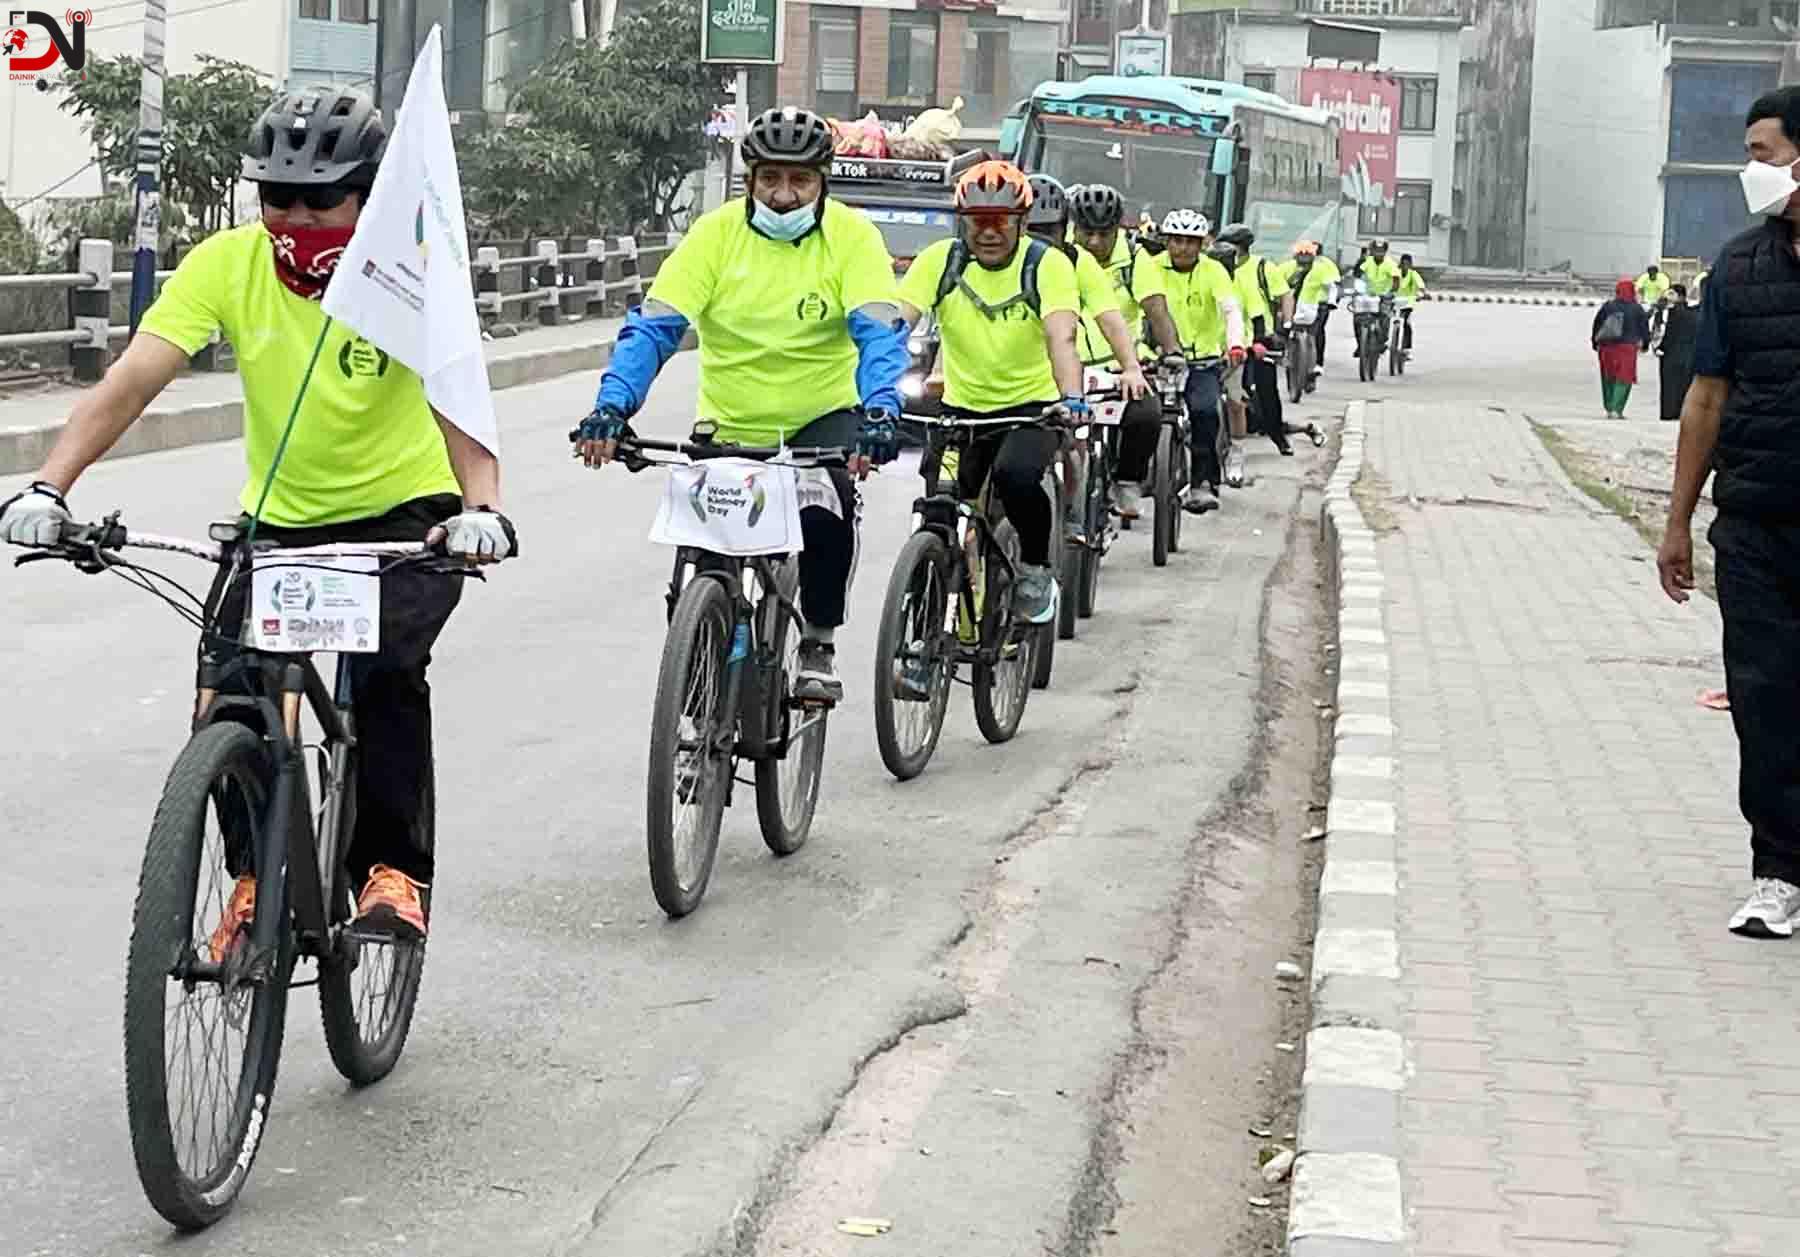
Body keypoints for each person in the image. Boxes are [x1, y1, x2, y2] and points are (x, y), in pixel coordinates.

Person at [0, 85, 517, 947]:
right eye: (278, 196)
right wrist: (51, 486)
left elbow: (459, 399)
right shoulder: (226, 263)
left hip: (407, 517)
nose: (295, 217)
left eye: (323, 199)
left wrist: (483, 508)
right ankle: (252, 881)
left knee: (387, 672)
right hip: (280, 519)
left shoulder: (409, 272)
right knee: (232, 696)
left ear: (369, 195)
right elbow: (134, 378)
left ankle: (392, 870)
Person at [575, 105, 908, 705]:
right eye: (770, 179)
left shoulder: (853, 238)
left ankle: (818, 643)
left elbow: (878, 330)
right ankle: (700, 676)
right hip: (729, 423)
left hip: (820, 418)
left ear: (822, 181)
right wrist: (611, 408)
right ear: (750, 179)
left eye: (800, 180)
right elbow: (654, 327)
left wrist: (881, 411)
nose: (784, 195)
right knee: (704, 560)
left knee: (825, 512)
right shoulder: (715, 235)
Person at [1658, 84, 1800, 937]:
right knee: (1763, 695)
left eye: (1763, 153)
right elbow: (1706, 398)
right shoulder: (1739, 267)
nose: (1751, 170)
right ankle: (1779, 871)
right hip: (1753, 521)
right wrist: (1677, 520)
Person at [896, 160, 1085, 624]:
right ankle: (921, 632)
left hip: (1031, 411)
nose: (989, 232)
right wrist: (868, 384)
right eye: (978, 221)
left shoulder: (1047, 264)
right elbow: (899, 321)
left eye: (1001, 221)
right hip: (960, 413)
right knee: (937, 512)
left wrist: (1072, 397)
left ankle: (1035, 569)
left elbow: (1061, 337)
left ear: (1021, 221)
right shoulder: (941, 261)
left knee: (1017, 477)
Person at [1026, 174, 1147, 538]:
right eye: (1030, 228)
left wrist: (1131, 367)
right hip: (998, 385)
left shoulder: (1078, 263)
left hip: (1069, 377)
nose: (1038, 240)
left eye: (1049, 230)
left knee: (1075, 442)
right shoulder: (970, 259)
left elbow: (1110, 320)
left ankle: (1074, 519)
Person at [1066, 182, 1185, 520]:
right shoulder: (1060, 256)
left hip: (1119, 369)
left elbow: (1156, 310)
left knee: (1147, 414)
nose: (1095, 243)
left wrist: (1171, 349)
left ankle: (1127, 479)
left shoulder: (1135, 258)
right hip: (1067, 368)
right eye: (1087, 233)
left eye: (1104, 234)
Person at [1157, 210, 1246, 513]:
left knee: (1206, 413)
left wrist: (1235, 344)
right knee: (1140, 414)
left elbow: (1231, 309)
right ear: (1166, 241)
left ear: (1202, 244)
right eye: (1176, 240)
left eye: (1190, 242)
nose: (1182, 248)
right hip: (1158, 359)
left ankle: (1202, 483)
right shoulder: (1151, 268)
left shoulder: (1213, 271)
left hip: (1202, 362)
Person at [1217, 223, 1294, 455]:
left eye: (1231, 249)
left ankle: (1278, 436)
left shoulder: (1262, 267)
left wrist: (1284, 328)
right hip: (1220, 343)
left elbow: (1270, 305)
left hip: (1257, 340)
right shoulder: (1214, 270)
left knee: (1265, 391)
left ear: (1243, 248)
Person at [1591, 277, 1651, 418]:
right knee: (1624, 378)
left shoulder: (1608, 306)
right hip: (1627, 348)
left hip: (1607, 347)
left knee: (1608, 377)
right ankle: (1617, 409)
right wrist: (1646, 344)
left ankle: (1609, 406)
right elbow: (1644, 329)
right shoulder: (1637, 308)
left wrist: (1594, 342)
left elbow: (1597, 324)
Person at [1291, 240, 1341, 375]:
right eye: (1301, 254)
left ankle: (1317, 364)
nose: (1304, 256)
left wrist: (1332, 301)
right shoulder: (1290, 267)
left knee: (1316, 332)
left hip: (1320, 305)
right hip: (1295, 304)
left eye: (1308, 254)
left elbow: (1333, 285)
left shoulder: (1324, 266)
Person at [1657, 283, 1697, 423]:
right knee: (1683, 385)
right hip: (1688, 355)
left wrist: (1660, 347)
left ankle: (1670, 412)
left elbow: (1668, 334)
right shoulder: (1692, 312)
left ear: (1680, 296)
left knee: (1670, 386)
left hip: (1672, 354)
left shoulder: (1674, 313)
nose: (1668, 296)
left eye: (1671, 294)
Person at [1396, 253, 1427, 352]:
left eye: (1407, 264)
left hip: (1407, 304)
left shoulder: (1413, 274)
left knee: (1407, 323)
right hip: (1394, 302)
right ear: (1400, 264)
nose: (1405, 266)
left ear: (1410, 265)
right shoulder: (1395, 273)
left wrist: (1421, 294)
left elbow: (1421, 286)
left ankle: (1406, 348)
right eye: (1403, 263)